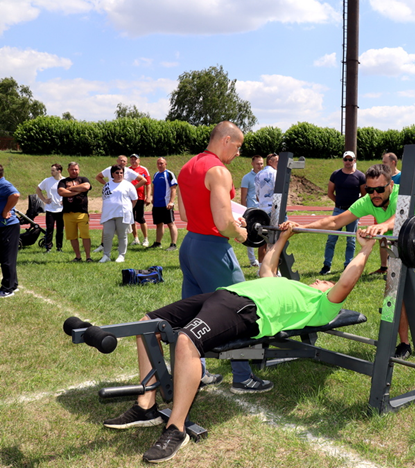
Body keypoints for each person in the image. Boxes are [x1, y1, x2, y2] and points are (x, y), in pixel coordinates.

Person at [102, 224, 377, 463]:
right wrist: (284, 237)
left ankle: (176, 428)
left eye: (324, 281)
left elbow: (346, 283)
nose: (318, 280)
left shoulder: (322, 305)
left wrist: (366, 248)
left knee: (187, 340)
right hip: (223, 295)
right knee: (148, 323)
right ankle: (146, 406)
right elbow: (266, 268)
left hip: (246, 309)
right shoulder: (289, 285)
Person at [293, 164, 415, 356]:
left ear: (391, 185)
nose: (374, 194)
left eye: (379, 189)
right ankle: (404, 344)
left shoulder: (404, 195)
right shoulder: (368, 200)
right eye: (369, 190)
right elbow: (336, 221)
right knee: (393, 294)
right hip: (400, 243)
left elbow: (402, 215)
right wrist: (301, 228)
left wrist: (384, 225)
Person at [177, 121, 270, 394]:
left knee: (194, 314)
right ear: (226, 140)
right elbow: (222, 223)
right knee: (241, 309)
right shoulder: (219, 171)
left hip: (190, 245)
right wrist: (241, 233)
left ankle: (198, 373)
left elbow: (186, 215)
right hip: (213, 249)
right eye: (238, 146)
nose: (238, 153)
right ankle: (242, 377)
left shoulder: (187, 167)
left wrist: (230, 221)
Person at [319, 150, 366, 275]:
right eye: (346, 159)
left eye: (350, 159)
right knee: (331, 239)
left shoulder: (360, 176)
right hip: (338, 211)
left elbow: (364, 195)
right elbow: (330, 193)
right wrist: (339, 203)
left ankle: (348, 266)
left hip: (352, 213)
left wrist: (354, 208)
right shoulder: (336, 174)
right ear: (343, 160)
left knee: (351, 240)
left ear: (354, 160)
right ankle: (326, 265)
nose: (348, 162)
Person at [94, 155, 146, 253]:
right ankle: (103, 245)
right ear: (117, 161)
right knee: (107, 228)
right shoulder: (109, 169)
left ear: (126, 163)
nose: (122, 162)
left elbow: (144, 180)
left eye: (124, 161)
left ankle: (123, 249)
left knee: (124, 230)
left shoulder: (128, 171)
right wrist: (108, 185)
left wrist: (132, 188)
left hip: (124, 202)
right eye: (121, 160)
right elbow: (98, 177)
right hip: (111, 204)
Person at [370, 152, 402, 275]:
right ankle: (384, 267)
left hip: (395, 215)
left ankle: (396, 269)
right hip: (381, 212)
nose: (382, 164)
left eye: (385, 162)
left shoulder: (402, 176)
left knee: (397, 241)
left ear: (393, 163)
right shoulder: (381, 177)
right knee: (381, 238)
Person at [99, 165, 138, 263]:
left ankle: (121, 255)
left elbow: (134, 199)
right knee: (107, 235)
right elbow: (104, 198)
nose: (119, 174)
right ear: (112, 174)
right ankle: (106, 255)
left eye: (121, 173)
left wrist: (128, 209)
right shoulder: (107, 185)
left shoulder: (128, 185)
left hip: (123, 214)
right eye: (117, 173)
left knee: (122, 235)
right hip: (108, 214)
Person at [57, 162, 93, 262]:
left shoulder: (83, 179)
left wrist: (71, 189)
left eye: (76, 169)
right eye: (72, 169)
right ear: (68, 170)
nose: (74, 171)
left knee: (85, 235)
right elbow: (61, 192)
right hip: (68, 213)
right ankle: (78, 256)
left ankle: (88, 257)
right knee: (72, 236)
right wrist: (78, 191)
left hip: (82, 212)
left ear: (79, 170)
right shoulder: (63, 181)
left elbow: (86, 187)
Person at [149, 157, 178, 251]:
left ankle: (173, 244)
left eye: (161, 163)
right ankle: (158, 243)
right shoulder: (156, 174)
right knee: (158, 224)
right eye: (158, 163)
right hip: (157, 204)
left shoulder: (169, 174)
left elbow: (173, 188)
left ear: (165, 164)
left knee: (171, 224)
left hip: (166, 204)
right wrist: (152, 197)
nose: (159, 165)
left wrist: (171, 202)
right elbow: (154, 186)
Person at [254, 153, 279, 265]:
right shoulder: (276, 173)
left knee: (262, 242)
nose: (279, 163)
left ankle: (261, 267)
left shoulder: (258, 174)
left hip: (262, 210)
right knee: (277, 241)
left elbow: (257, 196)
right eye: (277, 161)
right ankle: (274, 268)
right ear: (270, 161)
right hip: (274, 210)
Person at [240, 154, 264, 267]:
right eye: (257, 163)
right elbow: (243, 196)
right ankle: (252, 260)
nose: (260, 166)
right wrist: (244, 211)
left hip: (263, 209)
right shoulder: (247, 178)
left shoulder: (265, 176)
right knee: (250, 234)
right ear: (252, 164)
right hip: (251, 209)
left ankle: (263, 258)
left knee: (263, 234)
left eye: (261, 163)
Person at [0, 165, 20, 298]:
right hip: (3, 226)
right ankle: (13, 284)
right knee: (6, 257)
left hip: (8, 226)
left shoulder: (3, 184)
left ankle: (7, 288)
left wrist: (6, 210)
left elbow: (15, 194)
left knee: (7, 258)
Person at [36, 163, 64, 253]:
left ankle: (59, 247)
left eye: (53, 170)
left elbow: (70, 191)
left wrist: (65, 200)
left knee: (60, 230)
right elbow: (38, 189)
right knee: (49, 229)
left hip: (61, 209)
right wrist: (44, 199)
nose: (51, 172)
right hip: (50, 209)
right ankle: (48, 247)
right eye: (51, 170)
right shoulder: (47, 180)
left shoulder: (65, 181)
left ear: (59, 171)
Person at [128, 154, 151, 247]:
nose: (133, 161)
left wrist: (148, 196)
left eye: (135, 159)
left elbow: (148, 184)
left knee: (141, 218)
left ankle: (146, 239)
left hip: (140, 197)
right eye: (132, 159)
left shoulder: (143, 170)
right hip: (129, 198)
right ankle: (136, 238)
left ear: (139, 160)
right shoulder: (127, 170)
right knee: (132, 219)